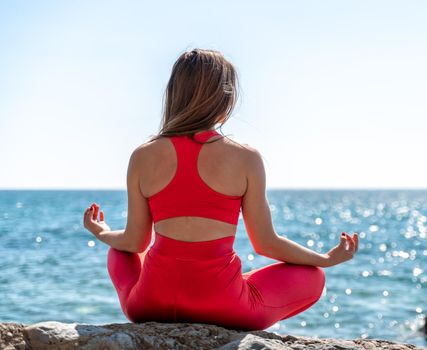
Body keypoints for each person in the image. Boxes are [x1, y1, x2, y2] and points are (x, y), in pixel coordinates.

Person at [82, 48, 359, 331]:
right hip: (223, 307)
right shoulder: (245, 157)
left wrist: (102, 231)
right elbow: (266, 243)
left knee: (119, 251)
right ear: (225, 101)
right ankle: (231, 288)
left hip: (150, 304)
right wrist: (324, 259)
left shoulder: (143, 155)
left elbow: (134, 241)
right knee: (314, 277)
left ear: (174, 95)